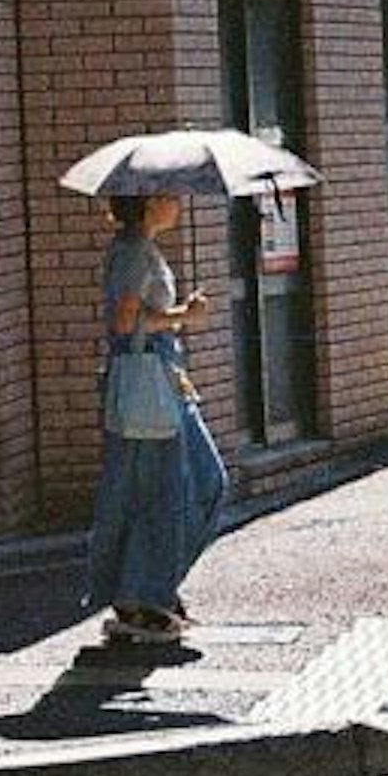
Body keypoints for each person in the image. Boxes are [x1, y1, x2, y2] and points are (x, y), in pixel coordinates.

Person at [83, 192, 230, 647]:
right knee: (177, 488)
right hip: (148, 382)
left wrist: (179, 316)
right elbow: (125, 323)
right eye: (168, 196)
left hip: (161, 379)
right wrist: (184, 315)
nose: (177, 203)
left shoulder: (140, 248)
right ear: (147, 204)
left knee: (185, 485)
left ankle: (148, 589)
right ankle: (142, 596)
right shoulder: (132, 251)